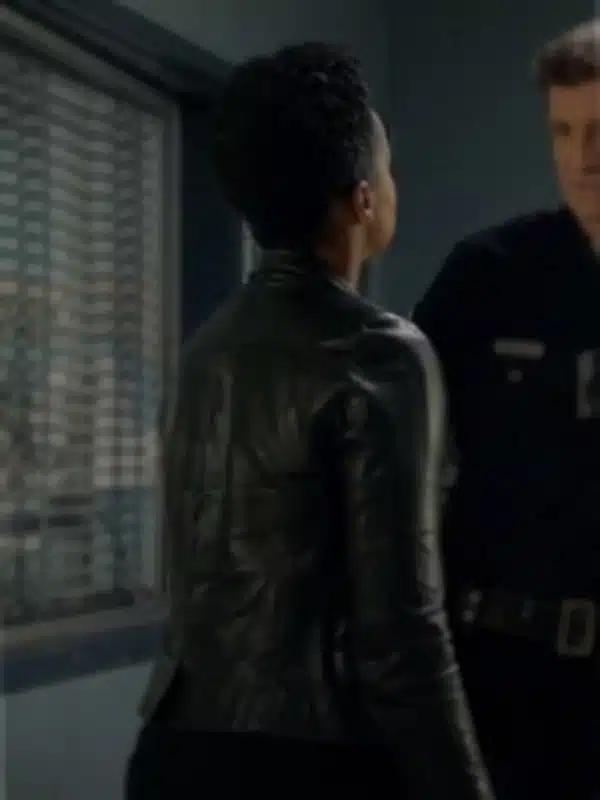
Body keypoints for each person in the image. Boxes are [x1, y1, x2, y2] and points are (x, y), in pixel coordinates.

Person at [125, 43, 493, 799]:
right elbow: (403, 637)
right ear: (363, 199)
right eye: (387, 168)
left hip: (173, 755)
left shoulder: (205, 351)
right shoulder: (381, 354)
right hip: (309, 764)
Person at [412, 18, 600, 800]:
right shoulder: (487, 273)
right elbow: (391, 459)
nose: (583, 159)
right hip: (499, 680)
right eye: (564, 132)